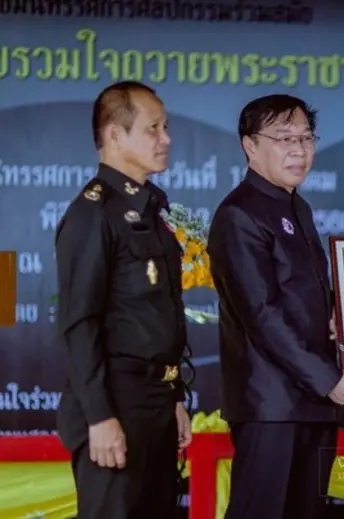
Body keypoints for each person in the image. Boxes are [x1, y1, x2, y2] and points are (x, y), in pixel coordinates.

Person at [207, 94, 344, 519]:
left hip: (312, 401)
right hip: (272, 405)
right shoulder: (239, 214)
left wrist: (337, 318)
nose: (299, 150)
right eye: (284, 138)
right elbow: (261, 314)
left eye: (306, 138)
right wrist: (328, 379)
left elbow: (303, 295)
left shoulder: (296, 207)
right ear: (250, 145)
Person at [55, 80, 192, 519]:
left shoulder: (152, 207)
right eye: (154, 128)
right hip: (116, 404)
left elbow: (157, 316)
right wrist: (99, 417)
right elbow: (80, 322)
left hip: (156, 402)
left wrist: (174, 397)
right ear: (115, 135)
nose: (166, 138)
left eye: (166, 127)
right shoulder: (92, 213)